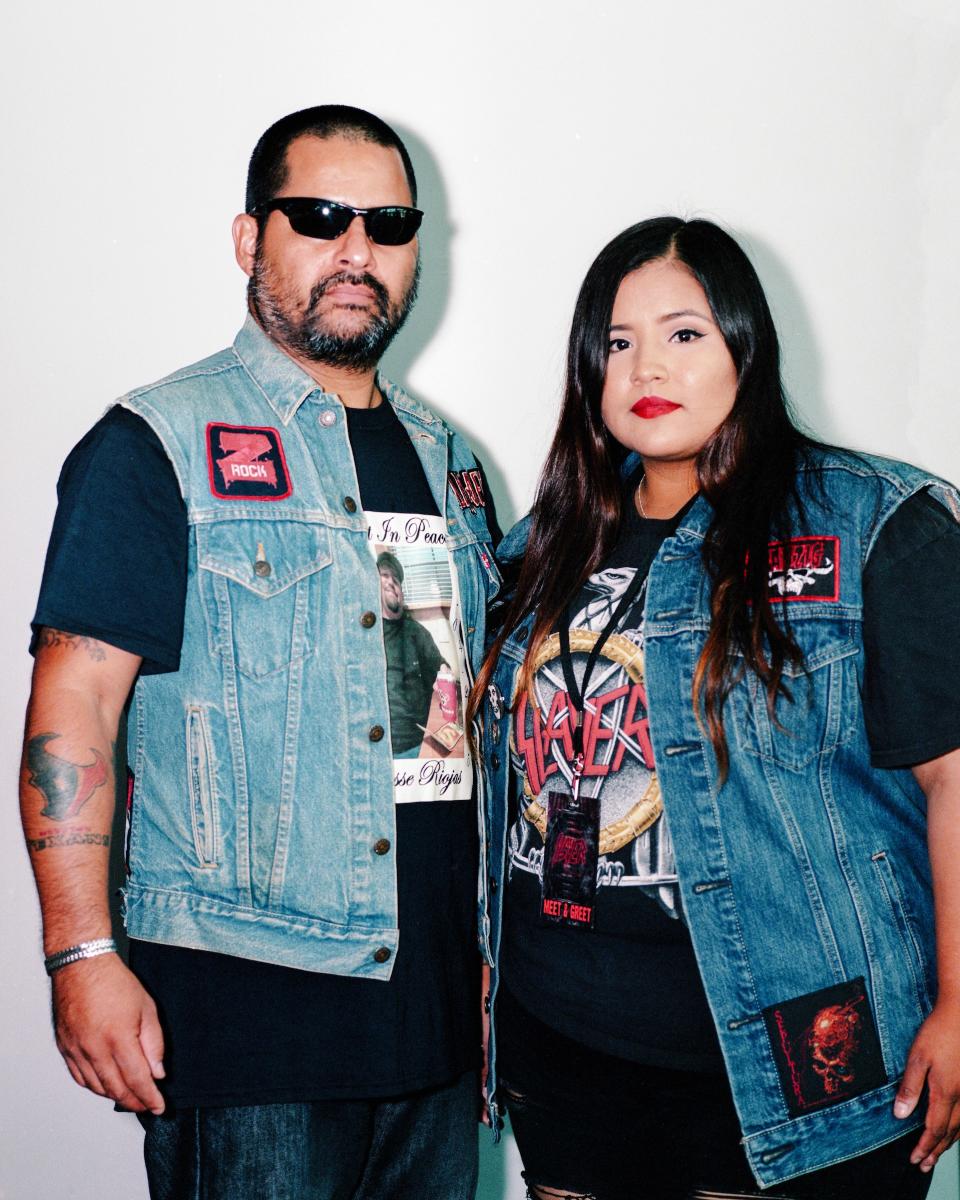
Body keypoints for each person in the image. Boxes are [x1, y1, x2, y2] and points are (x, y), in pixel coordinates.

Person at [20, 104, 500, 1200]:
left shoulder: (451, 462)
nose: (355, 250)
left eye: (387, 222)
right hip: (249, 1034)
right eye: (320, 215)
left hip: (435, 1029)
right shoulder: (156, 443)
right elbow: (74, 713)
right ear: (250, 241)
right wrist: (83, 959)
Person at [474, 216, 960, 1199]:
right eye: (618, 342)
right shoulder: (535, 549)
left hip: (795, 1059)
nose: (647, 362)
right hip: (563, 1052)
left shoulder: (872, 523)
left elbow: (954, 778)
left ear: (746, 343)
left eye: (685, 332)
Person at [376, 550, 462, 758]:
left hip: (418, 745)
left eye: (396, 579)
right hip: (378, 750)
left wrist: (445, 673)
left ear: (402, 592)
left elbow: (442, 669)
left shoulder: (417, 632)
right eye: (384, 577)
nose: (391, 583)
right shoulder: (367, 635)